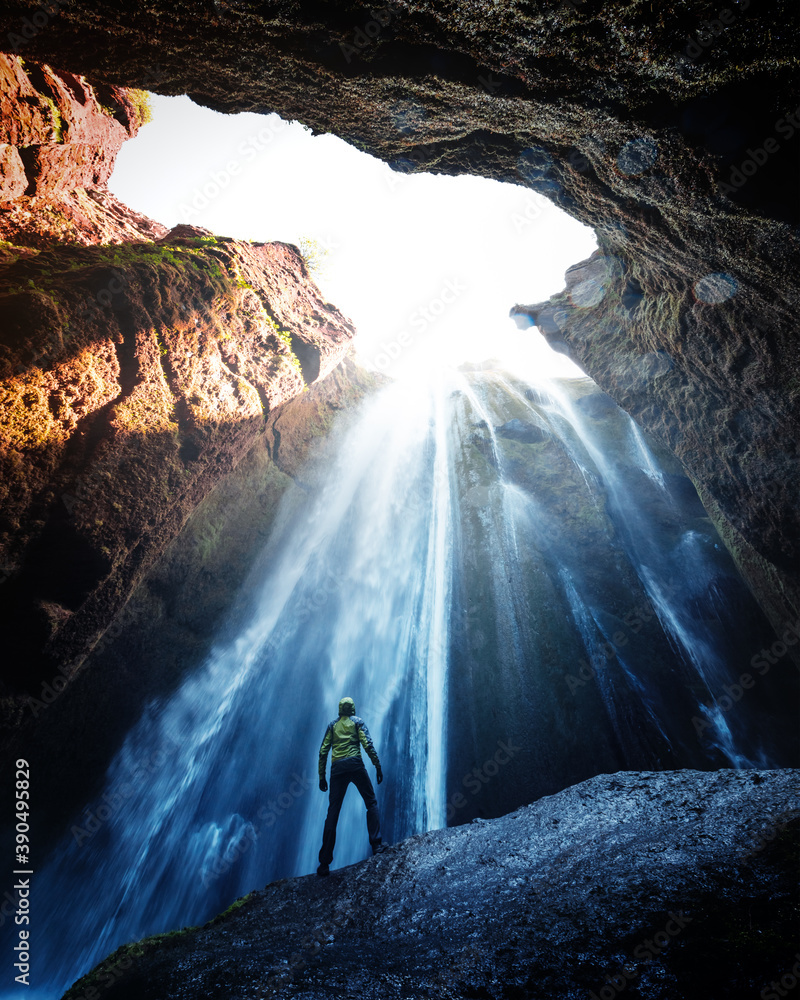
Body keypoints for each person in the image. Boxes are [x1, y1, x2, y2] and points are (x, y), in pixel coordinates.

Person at [317, 696, 387, 876]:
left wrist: (321, 777)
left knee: (333, 812)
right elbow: (367, 744)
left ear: (340, 709)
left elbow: (323, 751)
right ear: (353, 708)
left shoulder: (332, 725)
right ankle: (376, 845)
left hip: (337, 769)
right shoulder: (358, 723)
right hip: (355, 765)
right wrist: (377, 766)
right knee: (371, 802)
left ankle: (324, 863)